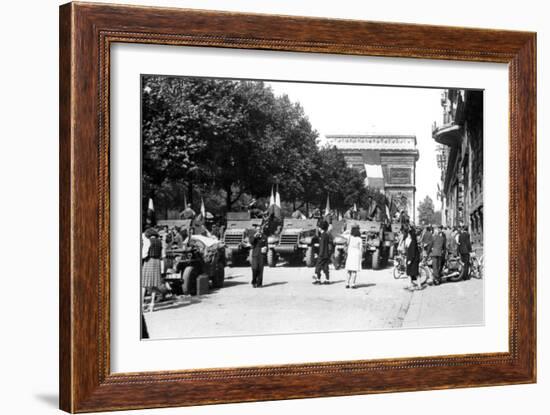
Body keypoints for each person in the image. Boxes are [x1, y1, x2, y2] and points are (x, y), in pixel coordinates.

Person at [141, 228, 163, 312]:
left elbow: (144, 254)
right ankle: (152, 304)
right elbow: (162, 254)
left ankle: (142, 304)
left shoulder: (148, 241)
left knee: (144, 284)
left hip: (149, 261)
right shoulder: (159, 242)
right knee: (153, 284)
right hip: (157, 262)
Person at [312, 220, 333, 285]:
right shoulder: (326, 235)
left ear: (320, 228)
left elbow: (322, 246)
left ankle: (318, 280)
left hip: (322, 254)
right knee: (325, 267)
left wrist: (319, 254)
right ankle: (327, 280)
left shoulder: (323, 235)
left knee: (318, 266)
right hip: (326, 254)